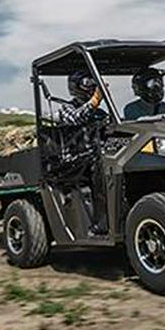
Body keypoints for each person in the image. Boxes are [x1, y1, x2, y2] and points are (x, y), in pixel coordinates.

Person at [57, 71, 108, 236]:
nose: (92, 85)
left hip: (97, 158)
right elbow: (76, 119)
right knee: (99, 166)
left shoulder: (100, 113)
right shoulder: (66, 108)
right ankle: (100, 225)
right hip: (75, 162)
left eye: (93, 82)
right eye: (87, 82)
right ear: (75, 85)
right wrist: (95, 101)